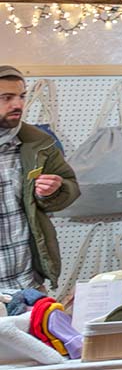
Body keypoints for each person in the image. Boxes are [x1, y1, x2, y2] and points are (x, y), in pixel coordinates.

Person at [0, 65, 80, 311]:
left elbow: (70, 188)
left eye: (21, 96)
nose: (18, 104)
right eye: (6, 98)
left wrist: (53, 191)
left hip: (27, 284)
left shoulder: (37, 142)